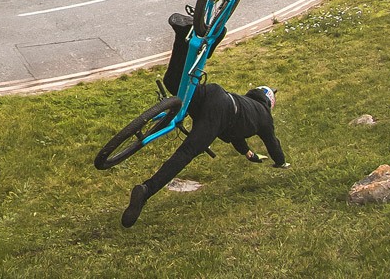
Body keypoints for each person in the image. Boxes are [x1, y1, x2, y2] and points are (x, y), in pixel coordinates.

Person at [120, 12, 287, 227]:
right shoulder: (264, 116)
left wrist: (248, 153)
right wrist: (280, 162)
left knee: (175, 83)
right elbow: (272, 143)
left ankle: (182, 36)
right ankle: (146, 190)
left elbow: (238, 135)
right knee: (187, 152)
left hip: (215, 95)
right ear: (270, 102)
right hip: (220, 112)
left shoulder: (248, 103)